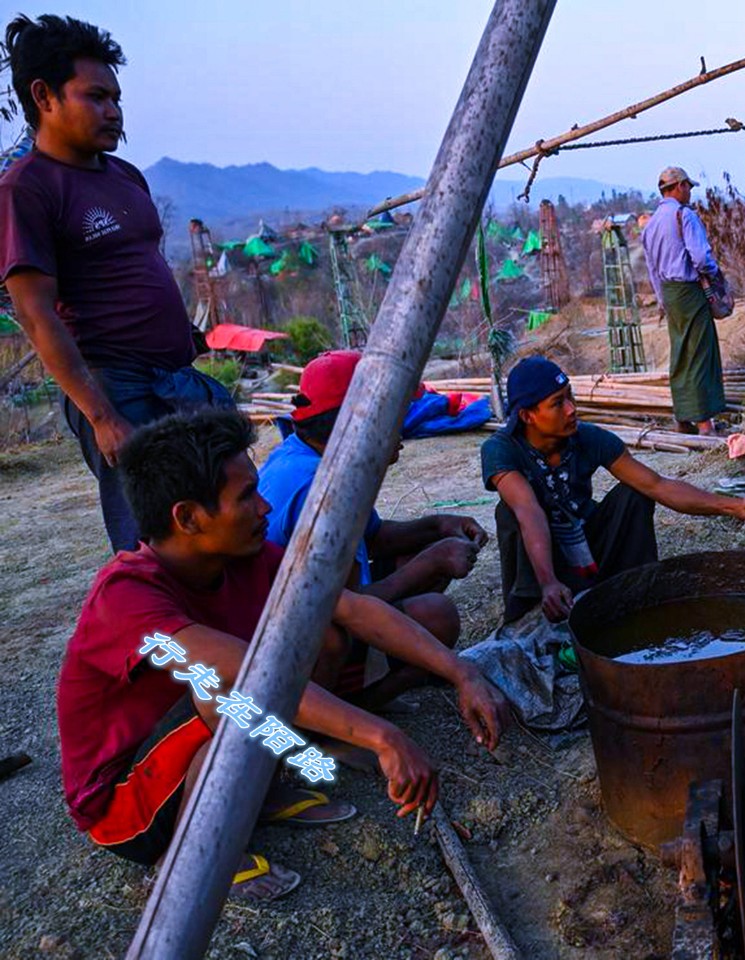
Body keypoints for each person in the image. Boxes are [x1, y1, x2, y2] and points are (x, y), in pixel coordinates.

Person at [56, 408, 509, 900]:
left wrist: (461, 672)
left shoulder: (243, 559)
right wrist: (384, 737)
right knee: (225, 688)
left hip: (187, 750)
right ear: (186, 517)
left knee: (324, 632)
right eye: (246, 496)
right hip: (125, 807)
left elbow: (353, 608)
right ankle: (191, 852)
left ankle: (256, 793)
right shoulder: (126, 596)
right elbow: (250, 674)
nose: (264, 508)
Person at [0, 15, 233, 552]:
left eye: (117, 98)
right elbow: (36, 315)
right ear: (44, 96)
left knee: (229, 513)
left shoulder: (124, 175)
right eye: (96, 96)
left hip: (177, 378)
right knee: (156, 546)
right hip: (119, 387)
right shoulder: (26, 189)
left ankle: (244, 633)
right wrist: (101, 415)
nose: (114, 112)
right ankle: (166, 639)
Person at [258, 350, 489, 707]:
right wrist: (432, 561)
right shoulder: (322, 492)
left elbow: (373, 538)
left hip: (319, 609)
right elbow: (348, 607)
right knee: (437, 615)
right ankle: (354, 705)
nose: (404, 423)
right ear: (359, 422)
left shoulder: (304, 452)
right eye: (393, 413)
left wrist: (438, 526)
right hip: (296, 643)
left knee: (419, 551)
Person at [484, 356, 745, 624]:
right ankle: (532, 607)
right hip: (541, 565)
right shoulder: (501, 449)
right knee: (508, 512)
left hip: (588, 548)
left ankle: (634, 590)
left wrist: (734, 506)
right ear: (527, 416)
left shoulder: (588, 437)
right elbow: (528, 511)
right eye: (558, 403)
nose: (572, 409)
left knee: (635, 494)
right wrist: (548, 581)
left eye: (570, 396)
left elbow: (657, 485)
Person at [639, 165, 726, 435]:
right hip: (689, 290)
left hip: (670, 294)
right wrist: (713, 274)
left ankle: (683, 418)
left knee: (681, 353)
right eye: (687, 186)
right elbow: (700, 257)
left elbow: (652, 269)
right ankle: (704, 424)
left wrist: (663, 299)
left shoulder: (650, 224)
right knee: (700, 352)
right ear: (679, 187)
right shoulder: (684, 215)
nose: (689, 191)